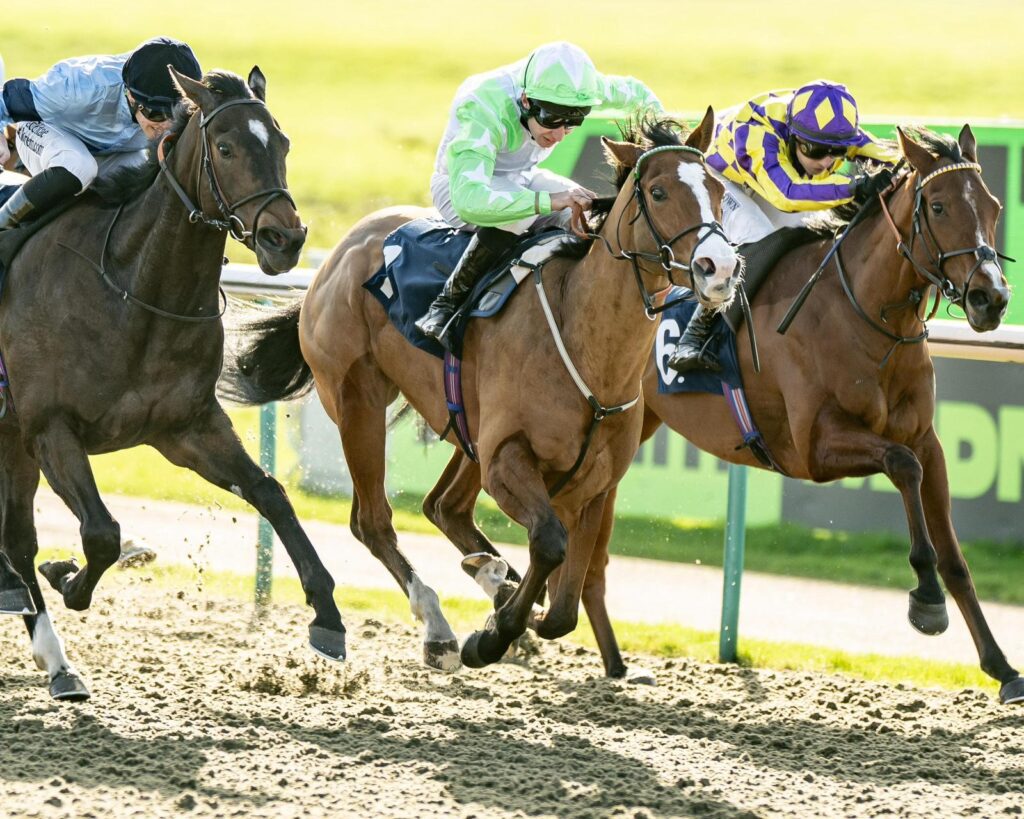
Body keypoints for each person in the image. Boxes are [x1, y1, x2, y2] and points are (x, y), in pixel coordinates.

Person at [415, 41, 663, 348]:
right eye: (551, 119)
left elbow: (639, 95)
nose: (559, 134)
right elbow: (470, 201)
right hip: (461, 186)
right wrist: (547, 201)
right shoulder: (482, 105)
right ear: (525, 100)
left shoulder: (579, 88)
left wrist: (662, 147)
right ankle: (446, 305)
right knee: (523, 214)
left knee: (584, 211)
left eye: (573, 122)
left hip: (522, 176)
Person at [668, 79, 899, 373]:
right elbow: (787, 195)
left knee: (804, 236)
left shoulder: (830, 128)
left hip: (763, 178)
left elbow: (887, 153)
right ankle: (694, 336)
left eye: (838, 151)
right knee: (762, 239)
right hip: (720, 176)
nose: (827, 162)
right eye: (816, 150)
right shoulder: (759, 135)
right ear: (793, 136)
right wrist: (855, 185)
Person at [0, 36, 202, 230]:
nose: (167, 125)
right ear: (131, 97)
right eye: (157, 113)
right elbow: (5, 100)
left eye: (177, 114)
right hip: (46, 131)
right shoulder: (79, 88)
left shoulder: (186, 108)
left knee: (153, 184)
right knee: (79, 166)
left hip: (112, 151)